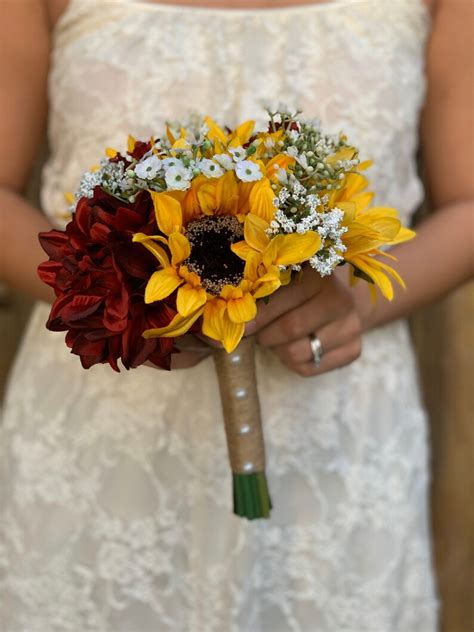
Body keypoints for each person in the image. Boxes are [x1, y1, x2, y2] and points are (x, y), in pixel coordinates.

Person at [0, 0, 472, 630]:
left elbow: (469, 203)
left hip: (334, 430)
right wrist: (117, 297)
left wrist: (348, 302)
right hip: (105, 432)